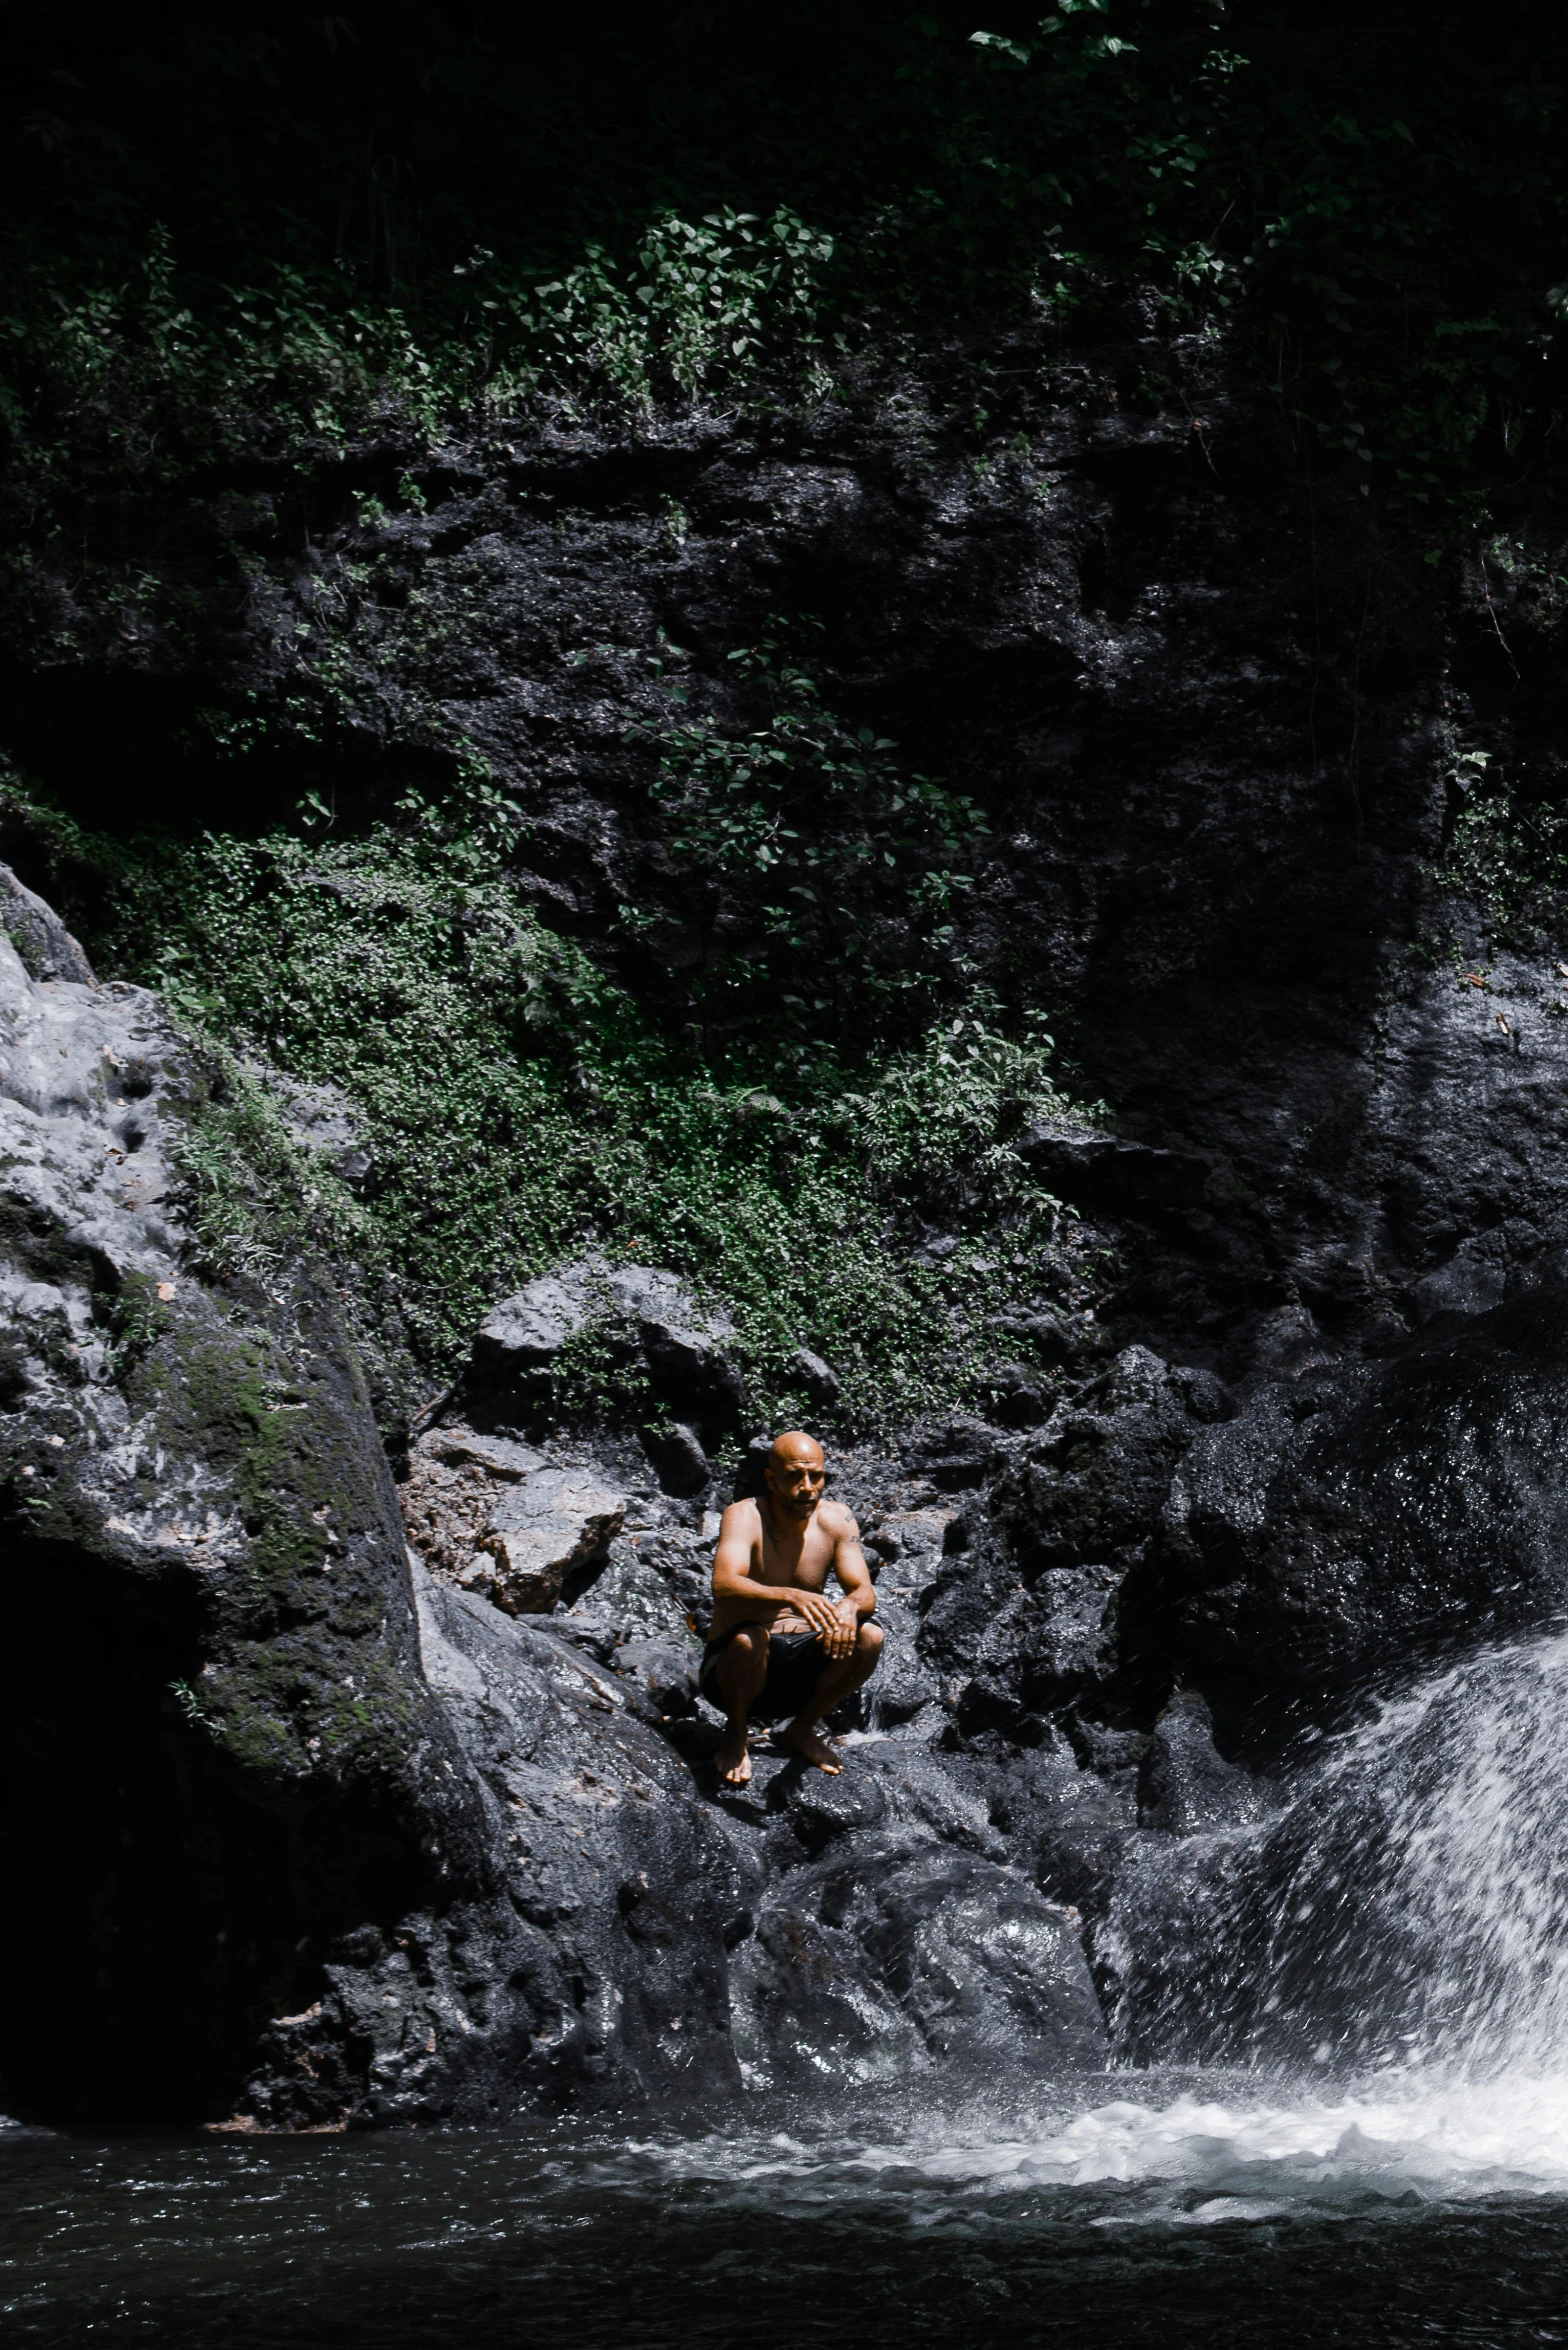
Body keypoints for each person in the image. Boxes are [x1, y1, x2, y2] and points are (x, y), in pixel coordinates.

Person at [699, 1431, 883, 1784]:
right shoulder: (744, 1515)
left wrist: (848, 1608)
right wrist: (791, 1595)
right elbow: (724, 1584)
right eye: (794, 1476)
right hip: (733, 1675)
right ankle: (735, 1735)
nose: (807, 1487)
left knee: (870, 1636)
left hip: (798, 1677)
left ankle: (801, 1729)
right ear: (771, 1478)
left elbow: (864, 1592)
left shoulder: (838, 1519)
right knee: (750, 1639)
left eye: (816, 1476)